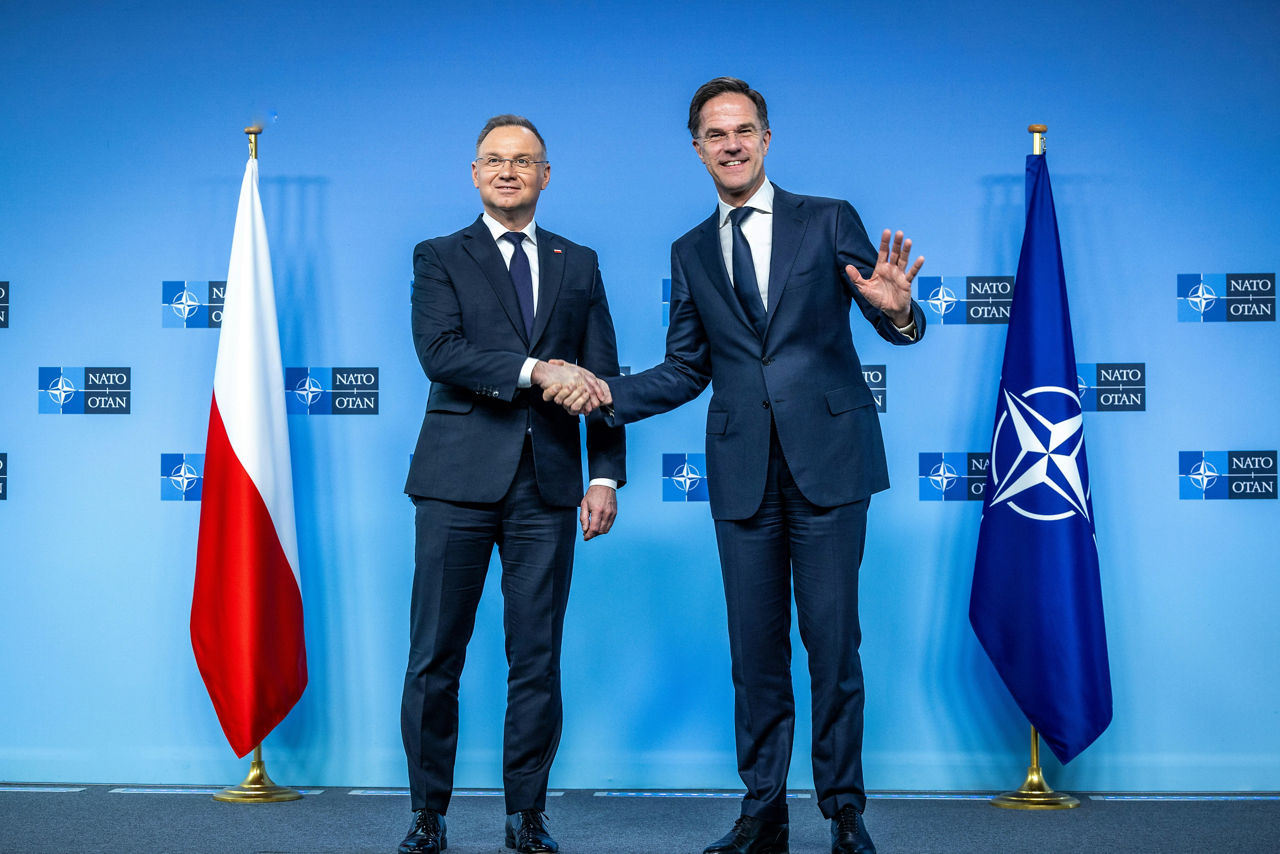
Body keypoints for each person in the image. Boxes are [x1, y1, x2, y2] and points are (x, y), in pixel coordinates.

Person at [548, 77, 925, 854]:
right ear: (697, 148)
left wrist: (899, 312)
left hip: (829, 463)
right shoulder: (690, 250)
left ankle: (844, 812)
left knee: (833, 643)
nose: (731, 143)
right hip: (742, 471)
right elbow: (688, 368)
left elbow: (891, 316)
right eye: (716, 134)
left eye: (745, 130)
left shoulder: (827, 220)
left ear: (766, 139)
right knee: (754, 653)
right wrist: (602, 392)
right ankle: (764, 810)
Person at [399, 114, 626, 854]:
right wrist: (537, 371)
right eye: (494, 160)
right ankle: (427, 814)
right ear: (474, 173)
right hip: (456, 482)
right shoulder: (438, 256)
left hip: (549, 486)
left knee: (536, 655)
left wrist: (604, 475)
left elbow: (602, 377)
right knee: (437, 655)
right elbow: (441, 353)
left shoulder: (579, 262)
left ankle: (526, 815)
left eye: (523, 161)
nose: (508, 172)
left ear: (545, 175)